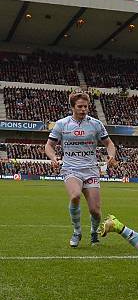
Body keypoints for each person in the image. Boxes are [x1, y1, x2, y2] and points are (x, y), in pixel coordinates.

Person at [44, 91, 117, 248]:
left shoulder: (96, 124)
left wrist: (111, 156)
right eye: (80, 106)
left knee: (95, 211)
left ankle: (93, 232)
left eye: (86, 106)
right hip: (71, 168)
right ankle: (77, 231)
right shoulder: (62, 124)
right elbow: (49, 146)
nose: (83, 109)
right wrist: (53, 158)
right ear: (72, 107)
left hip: (90, 169)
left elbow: (109, 144)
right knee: (75, 196)